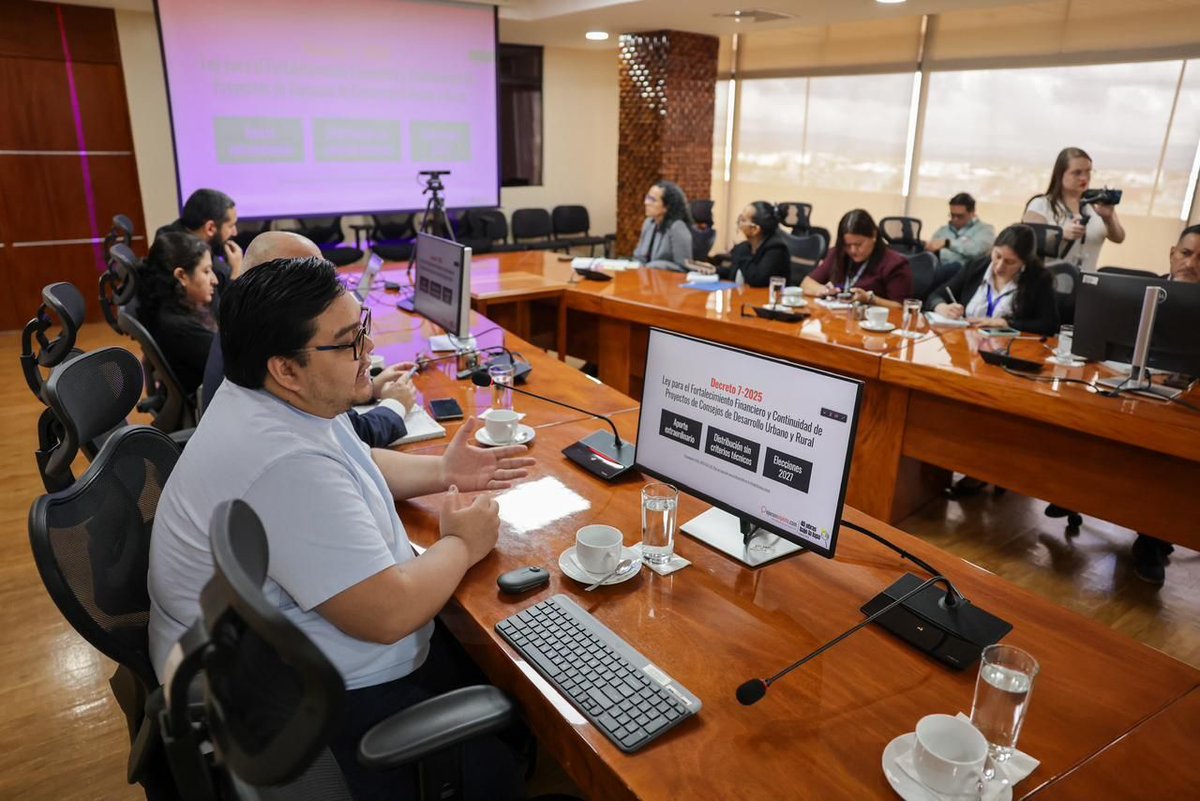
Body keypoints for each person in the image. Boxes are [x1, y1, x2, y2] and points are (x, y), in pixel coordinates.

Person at [149, 258, 535, 800]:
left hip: (273, 662)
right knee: (499, 753)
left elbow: (359, 459)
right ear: (286, 368)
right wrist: (460, 544)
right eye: (351, 342)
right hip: (301, 707)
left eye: (365, 329)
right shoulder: (282, 464)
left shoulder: (267, 401)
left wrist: (445, 472)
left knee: (497, 685)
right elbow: (387, 613)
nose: (370, 353)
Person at [200, 231, 415, 446]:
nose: (323, 285)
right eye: (308, 276)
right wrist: (395, 404)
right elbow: (353, 436)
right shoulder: (271, 350)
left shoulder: (243, 327)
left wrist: (362, 384)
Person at [1128, 223, 1200, 584]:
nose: (1191, 263)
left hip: (1186, 409)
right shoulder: (1141, 294)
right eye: (1186, 253)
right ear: (1173, 253)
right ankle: (1075, 493)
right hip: (1131, 391)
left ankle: (1152, 540)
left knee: (1168, 457)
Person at [925, 224, 1059, 336]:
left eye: (1010, 262)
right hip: (968, 346)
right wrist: (942, 308)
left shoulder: (1039, 280)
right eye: (997, 256)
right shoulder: (976, 267)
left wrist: (1006, 323)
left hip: (1009, 350)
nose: (1000, 266)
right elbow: (935, 296)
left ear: (1024, 262)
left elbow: (1049, 325)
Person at [136, 230, 219, 396]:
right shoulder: (180, 328)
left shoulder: (170, 309)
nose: (214, 280)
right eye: (206, 271)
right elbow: (234, 367)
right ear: (181, 276)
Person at [1023, 147, 1125, 273]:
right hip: (1048, 283)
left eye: (1088, 171)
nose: (1084, 178)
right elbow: (1027, 240)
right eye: (1077, 172)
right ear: (1060, 174)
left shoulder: (1095, 205)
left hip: (1087, 284)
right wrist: (1060, 234)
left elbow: (1119, 238)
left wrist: (1108, 218)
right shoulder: (1041, 204)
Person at [801, 209, 913, 308]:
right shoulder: (838, 254)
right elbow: (806, 283)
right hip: (837, 320)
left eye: (858, 244)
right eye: (847, 245)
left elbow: (900, 307)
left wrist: (870, 299)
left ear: (874, 236)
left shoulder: (894, 264)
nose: (853, 250)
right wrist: (823, 290)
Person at [157, 188, 244, 280]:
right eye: (231, 226)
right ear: (210, 228)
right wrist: (236, 273)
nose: (235, 232)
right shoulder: (179, 264)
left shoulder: (204, 250)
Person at [716, 201, 790, 287]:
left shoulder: (776, 249)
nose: (739, 224)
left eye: (743, 220)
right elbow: (736, 272)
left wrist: (742, 249)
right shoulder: (745, 247)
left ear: (755, 229)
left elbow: (756, 279)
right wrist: (714, 270)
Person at [633, 180, 693, 271]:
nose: (646, 203)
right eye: (647, 198)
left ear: (666, 207)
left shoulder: (677, 227)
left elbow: (683, 267)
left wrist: (654, 265)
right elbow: (639, 256)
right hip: (646, 278)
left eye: (653, 200)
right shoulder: (648, 223)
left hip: (667, 281)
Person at [925, 193, 995, 268]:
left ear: (972, 213)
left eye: (960, 216)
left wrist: (948, 243)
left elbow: (976, 250)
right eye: (952, 215)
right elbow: (931, 249)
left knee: (954, 267)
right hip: (940, 268)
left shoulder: (985, 230)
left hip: (966, 272)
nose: (955, 219)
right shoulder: (943, 231)